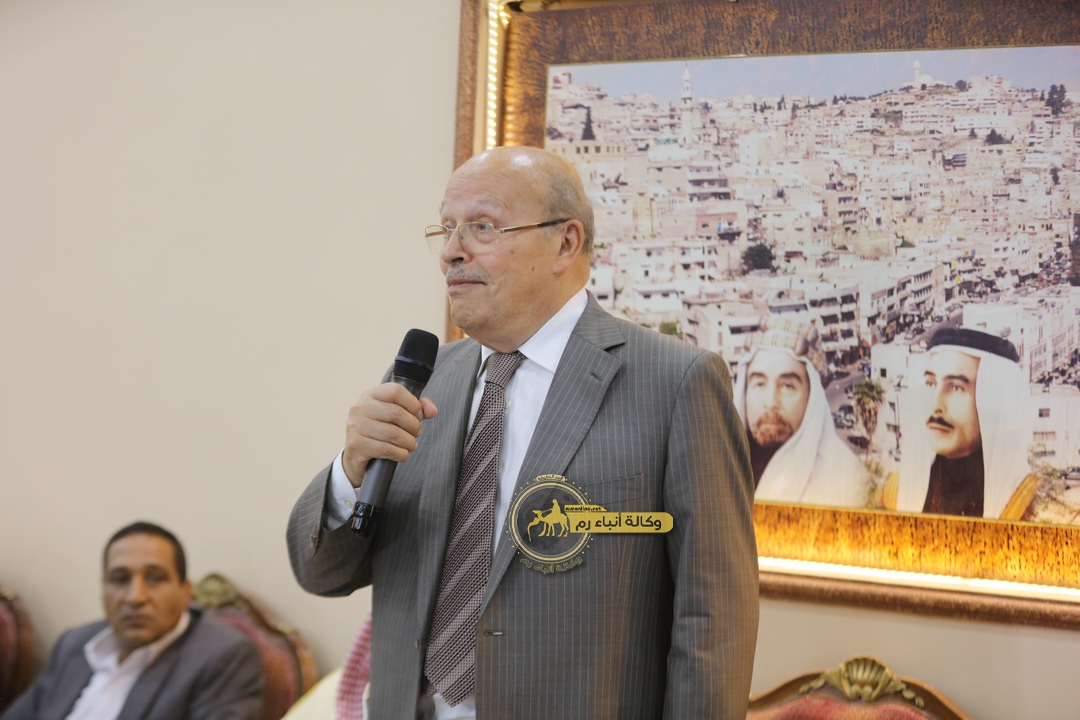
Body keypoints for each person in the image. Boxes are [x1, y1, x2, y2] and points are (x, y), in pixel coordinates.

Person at [287, 146, 758, 720]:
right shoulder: (422, 381)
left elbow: (714, 621)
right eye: (446, 228)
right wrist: (349, 471)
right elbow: (322, 573)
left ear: (565, 243)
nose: (452, 251)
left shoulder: (675, 382)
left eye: (483, 226)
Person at [3, 522, 263, 720]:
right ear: (103, 588)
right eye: (120, 579)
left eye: (155, 578)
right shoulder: (74, 643)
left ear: (185, 592)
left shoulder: (224, 656)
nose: (135, 597)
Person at [889, 328, 1037, 519]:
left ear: (992, 402)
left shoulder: (1025, 503)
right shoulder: (894, 492)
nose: (936, 405)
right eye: (931, 383)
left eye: (956, 387)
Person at [733, 315, 870, 506]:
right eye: (759, 384)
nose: (770, 402)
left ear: (811, 396)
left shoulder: (844, 481)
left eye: (787, 386)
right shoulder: (718, 470)